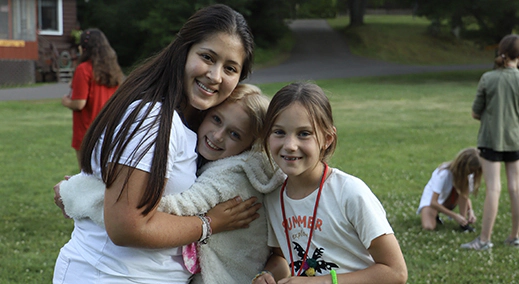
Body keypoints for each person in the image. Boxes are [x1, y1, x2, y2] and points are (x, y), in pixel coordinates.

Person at [52, 4, 260, 283]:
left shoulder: (192, 124)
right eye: (207, 57)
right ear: (183, 50)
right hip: (108, 275)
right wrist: (211, 223)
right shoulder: (152, 118)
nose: (215, 75)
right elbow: (127, 226)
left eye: (230, 68)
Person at [56, 84, 285, 284]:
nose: (217, 136)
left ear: (250, 145)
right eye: (216, 119)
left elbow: (149, 210)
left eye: (235, 134)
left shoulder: (231, 175)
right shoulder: (223, 162)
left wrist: (77, 192)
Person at [253, 82, 408, 283]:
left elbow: (396, 272)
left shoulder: (350, 192)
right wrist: (267, 275)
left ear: (327, 138)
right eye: (279, 132)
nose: (290, 145)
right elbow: (282, 257)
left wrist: (323, 281)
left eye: (304, 134)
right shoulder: (273, 198)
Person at [462, 34, 519, 250]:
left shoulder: (488, 78)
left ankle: (484, 240)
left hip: (490, 140)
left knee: (493, 188)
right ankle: (515, 236)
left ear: (500, 52)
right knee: (516, 187)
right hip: (516, 140)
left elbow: (476, 113)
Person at [61, 28, 123, 169]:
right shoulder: (112, 68)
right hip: (109, 131)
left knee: (87, 177)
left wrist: (66, 101)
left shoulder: (83, 69)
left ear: (83, 48)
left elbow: (79, 103)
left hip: (87, 132)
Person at [416, 147, 482, 232]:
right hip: (433, 201)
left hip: (450, 200)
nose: (472, 173)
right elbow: (433, 202)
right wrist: (454, 216)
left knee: (462, 191)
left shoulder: (469, 176)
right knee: (429, 227)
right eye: (471, 170)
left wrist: (470, 211)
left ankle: (463, 223)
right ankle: (434, 215)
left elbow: (465, 196)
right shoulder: (444, 174)